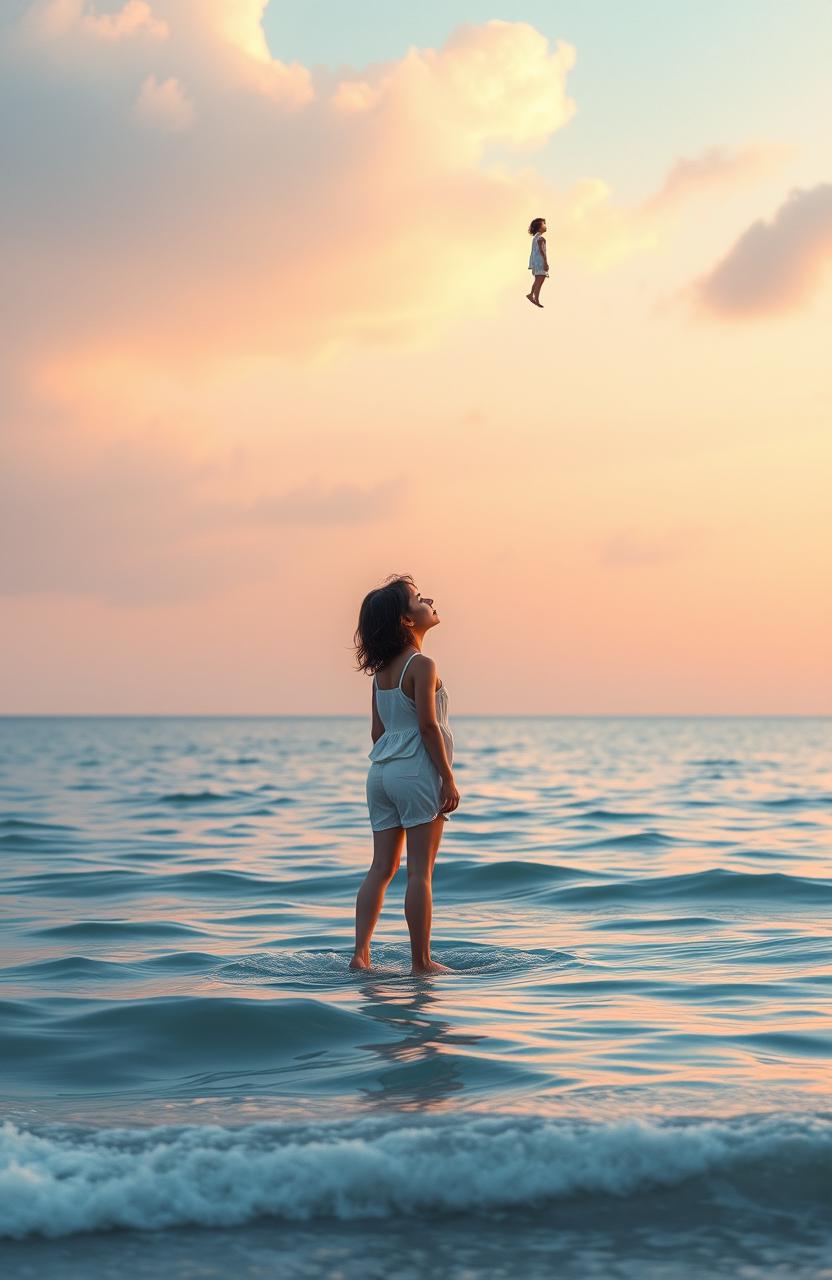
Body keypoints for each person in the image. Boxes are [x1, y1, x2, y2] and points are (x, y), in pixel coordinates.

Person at [351, 574, 460, 975]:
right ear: (405, 620)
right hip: (416, 771)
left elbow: (377, 732)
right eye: (418, 598)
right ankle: (422, 962)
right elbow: (429, 727)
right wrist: (447, 777)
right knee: (420, 872)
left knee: (381, 867)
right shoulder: (423, 664)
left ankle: (361, 956)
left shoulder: (381, 673)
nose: (428, 600)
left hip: (380, 774)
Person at [526, 216, 549, 307]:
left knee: (537, 280)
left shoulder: (535, 238)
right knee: (540, 280)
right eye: (544, 224)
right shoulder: (540, 238)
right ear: (540, 227)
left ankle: (532, 295)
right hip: (540, 262)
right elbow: (542, 251)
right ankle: (536, 298)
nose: (546, 226)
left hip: (536, 262)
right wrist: (545, 262)